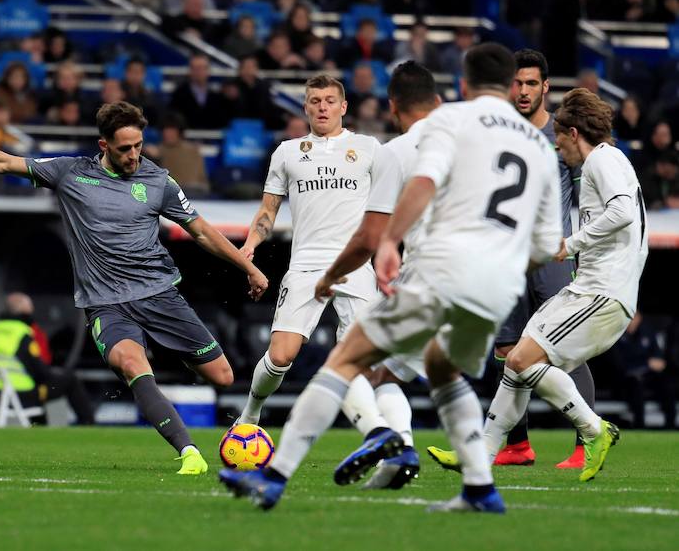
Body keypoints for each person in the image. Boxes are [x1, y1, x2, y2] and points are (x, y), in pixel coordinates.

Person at [220, 43, 563, 513]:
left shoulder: (440, 128)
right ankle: (478, 489)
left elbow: (406, 199)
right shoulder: (536, 144)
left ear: (461, 86)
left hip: (437, 269)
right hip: (498, 285)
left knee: (344, 362)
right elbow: (546, 243)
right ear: (511, 86)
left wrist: (386, 245)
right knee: (441, 371)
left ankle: (276, 479)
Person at [0, 101, 269, 475]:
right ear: (104, 145)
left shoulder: (159, 181)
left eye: (139, 145)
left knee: (222, 375)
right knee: (131, 364)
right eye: (125, 148)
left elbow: (203, 231)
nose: (134, 156)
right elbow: (2, 161)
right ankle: (189, 452)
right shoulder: (71, 173)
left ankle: (167, 353)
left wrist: (249, 269)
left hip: (159, 295)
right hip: (106, 304)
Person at [425, 88, 648, 483]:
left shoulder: (602, 159)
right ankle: (481, 452)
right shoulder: (608, 161)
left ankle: (595, 430)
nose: (560, 151)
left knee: (523, 360)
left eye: (561, 142)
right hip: (594, 288)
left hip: (602, 291)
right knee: (516, 362)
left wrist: (571, 244)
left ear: (575, 133)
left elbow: (623, 212)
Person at [432, 49, 596, 470]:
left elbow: (584, 200)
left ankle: (587, 442)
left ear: (545, 87)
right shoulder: (498, 132)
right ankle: (517, 445)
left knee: (564, 348)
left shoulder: (562, 135)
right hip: (503, 258)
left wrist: (585, 252)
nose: (522, 91)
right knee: (506, 347)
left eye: (530, 84)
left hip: (550, 255)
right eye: (516, 83)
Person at [235, 74, 402, 439]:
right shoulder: (287, 152)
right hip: (305, 265)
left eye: (329, 100)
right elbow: (267, 212)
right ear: (306, 107)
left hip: (355, 267)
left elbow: (390, 207)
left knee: (361, 362)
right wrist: (250, 245)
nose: (322, 107)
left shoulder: (369, 148)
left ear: (344, 107)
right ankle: (250, 413)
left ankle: (381, 437)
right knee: (280, 356)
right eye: (315, 101)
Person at [311, 61, 441, 490]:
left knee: (344, 365)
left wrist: (331, 274)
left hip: (425, 280)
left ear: (391, 106)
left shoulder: (394, 154)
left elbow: (369, 236)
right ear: (438, 102)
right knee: (387, 373)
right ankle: (402, 453)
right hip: (482, 280)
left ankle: (386, 438)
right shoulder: (466, 145)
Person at [0, 293, 95, 424]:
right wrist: (54, 374)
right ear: (26, 310)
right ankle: (88, 423)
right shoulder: (21, 332)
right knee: (70, 380)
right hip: (17, 394)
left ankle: (39, 427)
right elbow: (39, 371)